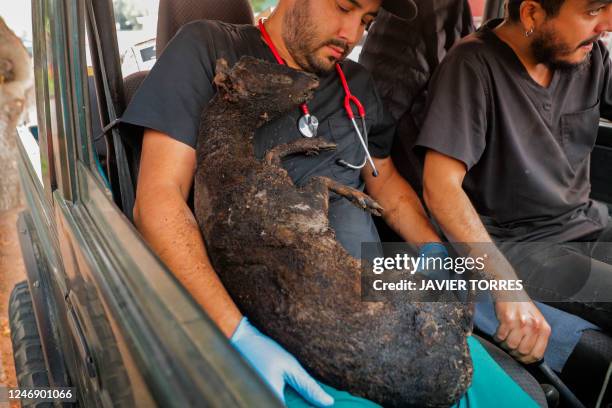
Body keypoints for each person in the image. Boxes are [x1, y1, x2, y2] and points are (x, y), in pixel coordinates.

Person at [122, 0, 542, 406]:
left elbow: (385, 181)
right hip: (278, 321)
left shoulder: (356, 84)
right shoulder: (210, 49)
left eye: (368, 20)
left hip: (387, 310)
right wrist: (235, 333)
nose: (352, 34)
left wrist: (434, 252)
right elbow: (159, 198)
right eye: (344, 7)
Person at [417, 0, 612, 373]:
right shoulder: (471, 66)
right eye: (593, 10)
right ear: (532, 14)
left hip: (587, 225)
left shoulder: (588, 54)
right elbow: (440, 188)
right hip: (521, 247)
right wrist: (506, 286)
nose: (606, 23)